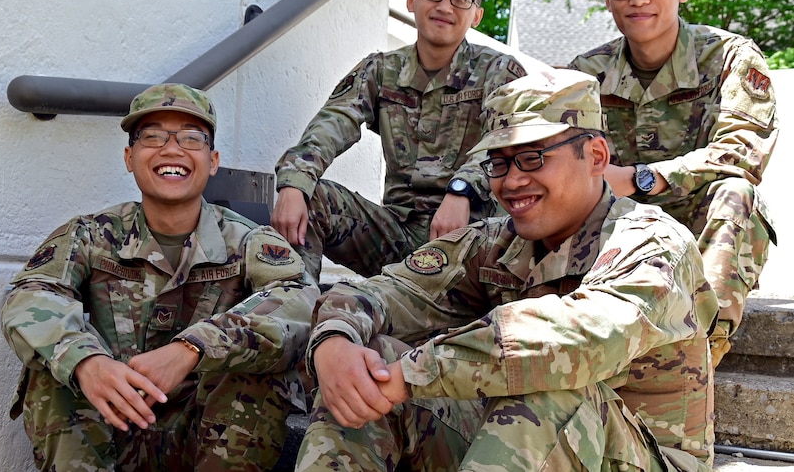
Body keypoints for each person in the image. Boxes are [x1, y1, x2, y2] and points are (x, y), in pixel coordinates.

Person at [296, 69, 719, 471]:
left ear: (595, 156)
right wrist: (334, 342)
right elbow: (391, 291)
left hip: (637, 457)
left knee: (550, 392)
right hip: (519, 447)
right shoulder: (496, 243)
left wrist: (414, 372)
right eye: (499, 163)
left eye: (532, 158)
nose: (511, 182)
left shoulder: (653, 243)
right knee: (369, 370)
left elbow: (577, 341)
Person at [1, 83, 319, 471]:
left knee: (258, 371)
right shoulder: (93, 234)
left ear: (213, 160)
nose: (171, 150)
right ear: (129, 157)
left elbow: (299, 302)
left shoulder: (249, 240)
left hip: (207, 429)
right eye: (152, 137)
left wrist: (192, 349)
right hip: (115, 416)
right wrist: (86, 363)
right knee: (52, 369)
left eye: (190, 138)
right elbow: (30, 295)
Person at [568, 0, 778, 367]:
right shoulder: (586, 73)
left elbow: (742, 151)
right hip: (619, 227)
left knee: (739, 195)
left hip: (699, 222)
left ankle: (697, 356)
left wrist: (647, 177)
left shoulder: (729, 57)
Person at [272, 0, 528, 282]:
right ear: (411, 0)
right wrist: (294, 183)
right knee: (312, 198)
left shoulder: (500, 72)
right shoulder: (381, 70)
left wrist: (461, 189)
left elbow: (503, 142)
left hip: (474, 238)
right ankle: (291, 308)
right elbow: (333, 123)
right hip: (397, 236)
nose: (444, 5)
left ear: (476, 15)